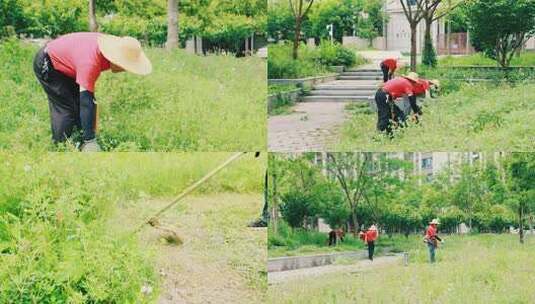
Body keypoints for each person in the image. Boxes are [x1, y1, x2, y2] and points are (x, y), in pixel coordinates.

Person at [33, 32, 152, 151]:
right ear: (116, 59)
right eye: (125, 65)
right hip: (48, 62)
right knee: (66, 109)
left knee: (79, 105)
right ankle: (60, 149)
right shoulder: (90, 62)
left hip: (69, 63)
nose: (125, 69)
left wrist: (91, 132)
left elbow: (89, 102)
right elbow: (86, 101)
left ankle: (78, 141)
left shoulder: (109, 48)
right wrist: (90, 140)